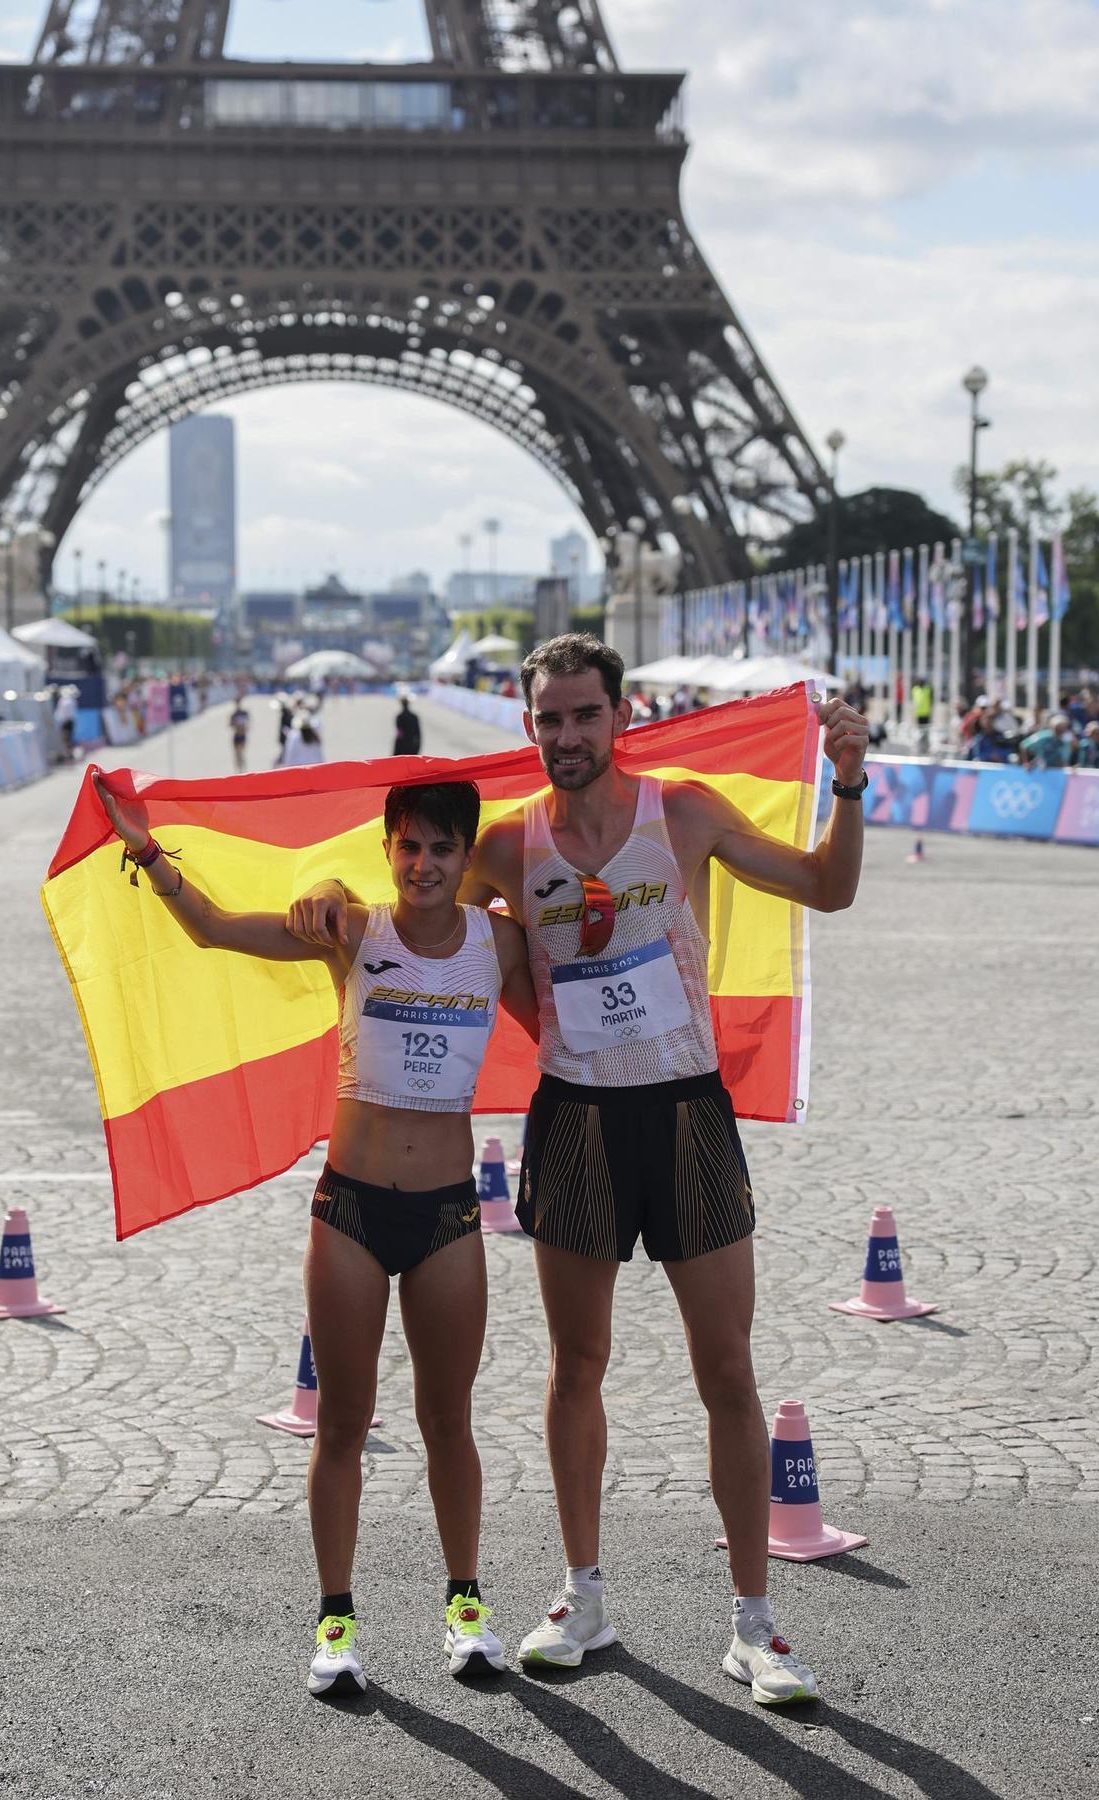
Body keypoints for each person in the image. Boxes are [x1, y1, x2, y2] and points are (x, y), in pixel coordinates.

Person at [289, 632, 869, 1708]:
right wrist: (324, 881)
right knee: (576, 1368)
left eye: (583, 715)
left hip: (688, 1110)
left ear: (620, 716)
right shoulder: (506, 846)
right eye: (548, 719)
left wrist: (848, 779)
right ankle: (583, 1596)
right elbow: (403, 881)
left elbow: (826, 890)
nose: (566, 735)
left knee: (728, 1373)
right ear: (530, 727)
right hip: (576, 1122)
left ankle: (754, 1626)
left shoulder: (682, 815)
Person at [92, 772, 538, 1698]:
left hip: (451, 1212)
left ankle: (466, 1610)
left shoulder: (500, 943)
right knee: (340, 1422)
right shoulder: (354, 932)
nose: (423, 865)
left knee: (447, 1421)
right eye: (408, 847)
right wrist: (144, 849)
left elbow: (585, 985)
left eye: (442, 849)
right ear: (386, 852)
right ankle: (335, 1624)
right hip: (351, 1211)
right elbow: (217, 929)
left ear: (466, 859)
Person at [229, 697, 250, 773]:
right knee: (236, 754)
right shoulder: (234, 714)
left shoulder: (244, 713)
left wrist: (244, 729)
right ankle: (238, 770)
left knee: (241, 752)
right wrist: (235, 724)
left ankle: (242, 770)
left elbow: (248, 724)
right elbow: (230, 724)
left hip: (242, 735)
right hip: (236, 735)